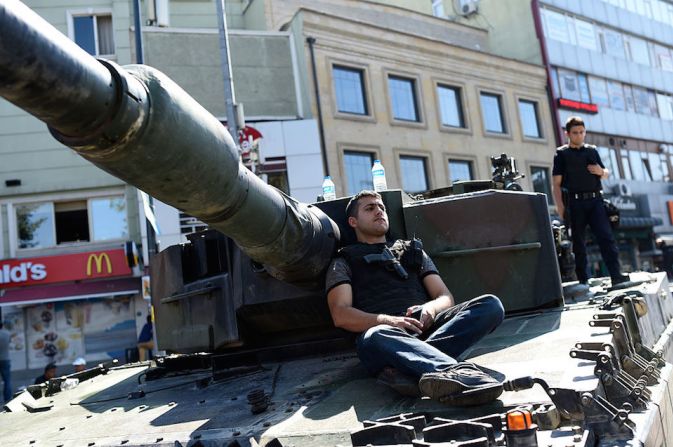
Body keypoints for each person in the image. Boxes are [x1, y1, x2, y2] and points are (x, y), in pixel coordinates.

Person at [325, 190, 505, 404]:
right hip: (384, 339)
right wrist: (390, 321)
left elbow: (444, 296)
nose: (379, 211)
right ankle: (455, 372)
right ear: (353, 221)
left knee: (490, 305)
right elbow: (340, 314)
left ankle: (408, 369)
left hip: (425, 327)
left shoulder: (412, 250)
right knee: (375, 335)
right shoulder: (343, 261)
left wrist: (430, 309)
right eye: (370, 208)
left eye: (381, 207)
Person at [552, 116, 629, 286]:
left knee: (606, 238)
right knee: (578, 243)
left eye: (581, 132)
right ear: (567, 133)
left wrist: (600, 171)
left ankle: (616, 275)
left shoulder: (592, 151)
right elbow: (556, 184)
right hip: (574, 203)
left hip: (596, 201)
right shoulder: (561, 154)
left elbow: (607, 173)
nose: (579, 136)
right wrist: (560, 207)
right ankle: (583, 280)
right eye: (575, 133)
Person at [0, 322, 12, 403]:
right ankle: (7, 399)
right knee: (7, 380)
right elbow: (9, 342)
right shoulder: (7, 333)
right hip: (5, 359)